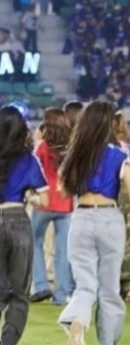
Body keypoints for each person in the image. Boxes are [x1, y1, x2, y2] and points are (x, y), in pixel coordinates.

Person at [57, 101, 130, 345]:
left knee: (85, 285)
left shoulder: (76, 153)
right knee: (109, 288)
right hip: (109, 218)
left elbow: (64, 191)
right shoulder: (118, 155)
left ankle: (77, 320)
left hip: (81, 217)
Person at [0, 105, 49, 345]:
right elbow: (44, 199)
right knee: (19, 290)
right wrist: (30, 195)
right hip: (17, 219)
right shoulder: (28, 159)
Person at [30, 108, 74, 306]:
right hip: (65, 204)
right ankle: (62, 294)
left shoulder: (41, 147)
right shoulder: (71, 148)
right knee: (63, 251)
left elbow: (33, 171)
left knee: (34, 242)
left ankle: (41, 285)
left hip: (44, 204)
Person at [114, 114, 130, 303]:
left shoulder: (104, 147)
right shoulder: (125, 148)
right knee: (126, 240)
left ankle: (109, 284)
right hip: (125, 195)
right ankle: (128, 285)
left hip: (108, 195)